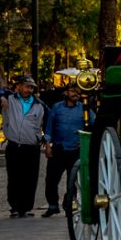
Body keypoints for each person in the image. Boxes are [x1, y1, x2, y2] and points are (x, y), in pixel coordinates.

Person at [1, 75, 45, 218]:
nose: (29, 90)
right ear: (19, 86)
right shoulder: (10, 99)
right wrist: (1, 97)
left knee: (30, 178)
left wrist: (42, 138)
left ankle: (27, 207)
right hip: (15, 145)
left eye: (31, 87)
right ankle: (14, 207)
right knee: (14, 177)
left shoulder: (39, 104)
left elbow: (48, 119)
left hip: (32, 146)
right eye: (27, 86)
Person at [41, 81, 85, 217]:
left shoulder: (84, 109)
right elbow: (49, 127)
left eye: (77, 92)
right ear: (66, 93)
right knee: (51, 179)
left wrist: (84, 142)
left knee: (72, 180)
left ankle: (68, 204)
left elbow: (92, 126)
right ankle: (53, 205)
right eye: (72, 91)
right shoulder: (57, 107)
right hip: (59, 148)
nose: (75, 94)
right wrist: (48, 145)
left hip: (75, 149)